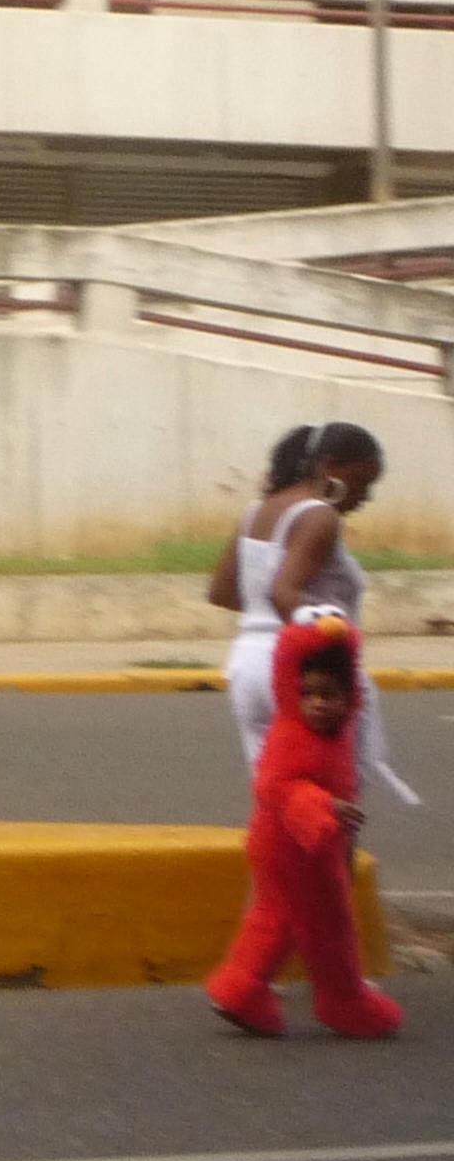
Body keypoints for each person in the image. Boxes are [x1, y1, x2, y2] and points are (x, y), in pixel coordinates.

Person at [206, 612, 405, 1041]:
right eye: (308, 693)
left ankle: (241, 989)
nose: (317, 702)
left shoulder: (334, 734)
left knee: (276, 918)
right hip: (298, 847)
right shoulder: (294, 735)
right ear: (289, 691)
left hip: (285, 845)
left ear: (350, 696)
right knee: (330, 927)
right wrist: (324, 807)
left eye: (329, 695)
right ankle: (345, 1001)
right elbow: (276, 784)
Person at [210, 421, 416, 809]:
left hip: (248, 666)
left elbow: (222, 592)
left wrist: (264, 620)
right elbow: (283, 591)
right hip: (306, 673)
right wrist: (325, 628)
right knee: (334, 805)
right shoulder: (319, 517)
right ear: (330, 466)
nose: (365, 497)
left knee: (279, 801)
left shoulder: (256, 512)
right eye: (362, 482)